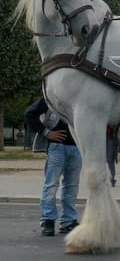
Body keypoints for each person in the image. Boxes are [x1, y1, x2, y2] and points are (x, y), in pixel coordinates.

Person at [24, 98, 82, 236]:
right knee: (51, 184)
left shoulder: (79, 96)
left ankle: (68, 221)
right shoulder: (52, 96)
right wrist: (47, 133)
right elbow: (29, 114)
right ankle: (48, 220)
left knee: (72, 186)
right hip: (57, 147)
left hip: (76, 147)